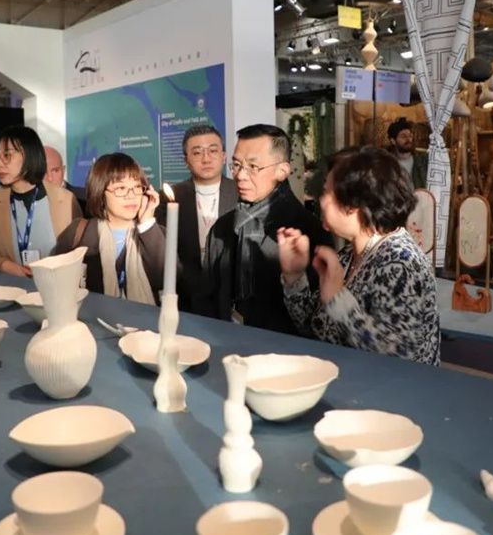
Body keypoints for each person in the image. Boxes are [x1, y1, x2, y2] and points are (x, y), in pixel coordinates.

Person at [278, 147, 440, 364]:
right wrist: (294, 275)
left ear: (352, 205)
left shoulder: (403, 262)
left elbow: (398, 358)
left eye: (326, 192)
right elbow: (313, 327)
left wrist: (338, 300)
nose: (320, 200)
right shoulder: (349, 255)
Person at [202, 124, 330, 334]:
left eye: (253, 167)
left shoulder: (307, 232)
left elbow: (318, 320)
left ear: (282, 170)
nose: (240, 175)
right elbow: (208, 297)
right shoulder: (223, 228)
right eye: (236, 165)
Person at [53, 153, 165, 305]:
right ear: (100, 192)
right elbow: (55, 281)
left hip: (143, 318)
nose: (131, 196)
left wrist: (147, 224)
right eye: (121, 188)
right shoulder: (79, 232)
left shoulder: (153, 233)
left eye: (137, 187)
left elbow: (167, 279)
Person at [0, 126, 80, 277]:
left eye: (7, 155)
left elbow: (78, 256)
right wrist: (4, 265)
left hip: (57, 287)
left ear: (29, 155)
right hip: (9, 288)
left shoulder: (66, 200)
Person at [157, 124, 237, 313]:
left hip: (231, 296)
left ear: (224, 156)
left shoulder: (241, 193)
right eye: (197, 152)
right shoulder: (169, 197)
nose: (206, 158)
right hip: (185, 297)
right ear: (186, 160)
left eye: (213, 151)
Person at [44, 145, 86, 213]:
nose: (50, 178)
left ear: (63, 171)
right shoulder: (29, 203)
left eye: (55, 171)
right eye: (43, 172)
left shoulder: (85, 199)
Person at [387, 118, 427, 189]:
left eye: (410, 136)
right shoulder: (387, 163)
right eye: (403, 136)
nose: (408, 139)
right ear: (393, 141)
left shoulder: (423, 160)